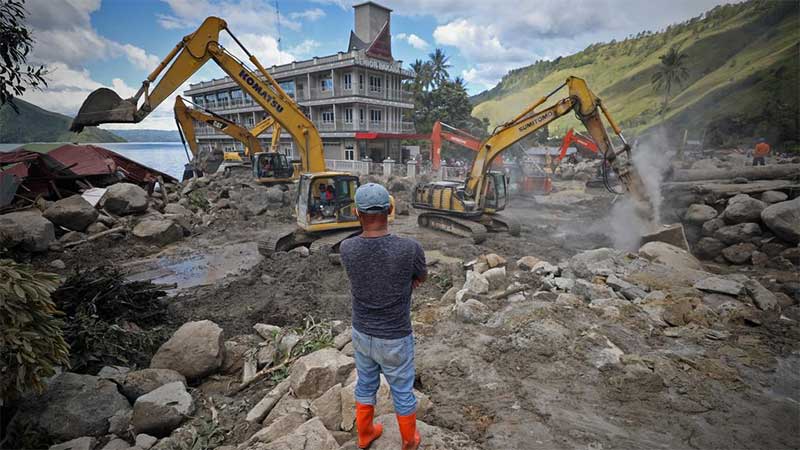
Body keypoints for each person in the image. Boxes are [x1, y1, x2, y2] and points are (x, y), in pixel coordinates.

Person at [339, 183, 426, 450]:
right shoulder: (410, 248)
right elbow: (420, 277)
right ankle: (409, 441)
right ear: (390, 210)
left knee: (365, 384)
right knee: (402, 390)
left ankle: (365, 435)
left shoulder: (346, 248)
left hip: (362, 333)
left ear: (356, 212)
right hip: (396, 337)